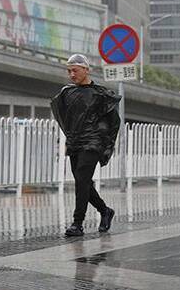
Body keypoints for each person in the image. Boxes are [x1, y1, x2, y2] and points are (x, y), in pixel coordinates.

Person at [51, 54, 121, 237]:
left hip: (93, 143)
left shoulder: (101, 94)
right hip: (75, 142)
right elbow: (63, 118)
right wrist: (67, 138)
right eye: (69, 71)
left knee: (82, 180)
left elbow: (113, 122)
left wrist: (106, 146)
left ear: (86, 70)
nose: (71, 74)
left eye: (75, 70)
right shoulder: (66, 93)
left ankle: (77, 223)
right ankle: (105, 211)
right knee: (83, 183)